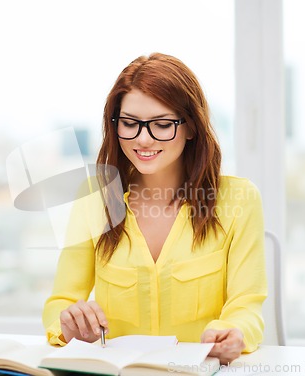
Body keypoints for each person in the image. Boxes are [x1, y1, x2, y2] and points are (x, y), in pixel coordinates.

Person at [42, 53, 267, 365]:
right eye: (130, 124)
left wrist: (234, 332)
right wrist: (68, 325)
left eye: (162, 124)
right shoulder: (94, 199)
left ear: (191, 127)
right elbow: (61, 302)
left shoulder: (238, 199)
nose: (143, 139)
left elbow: (247, 305)